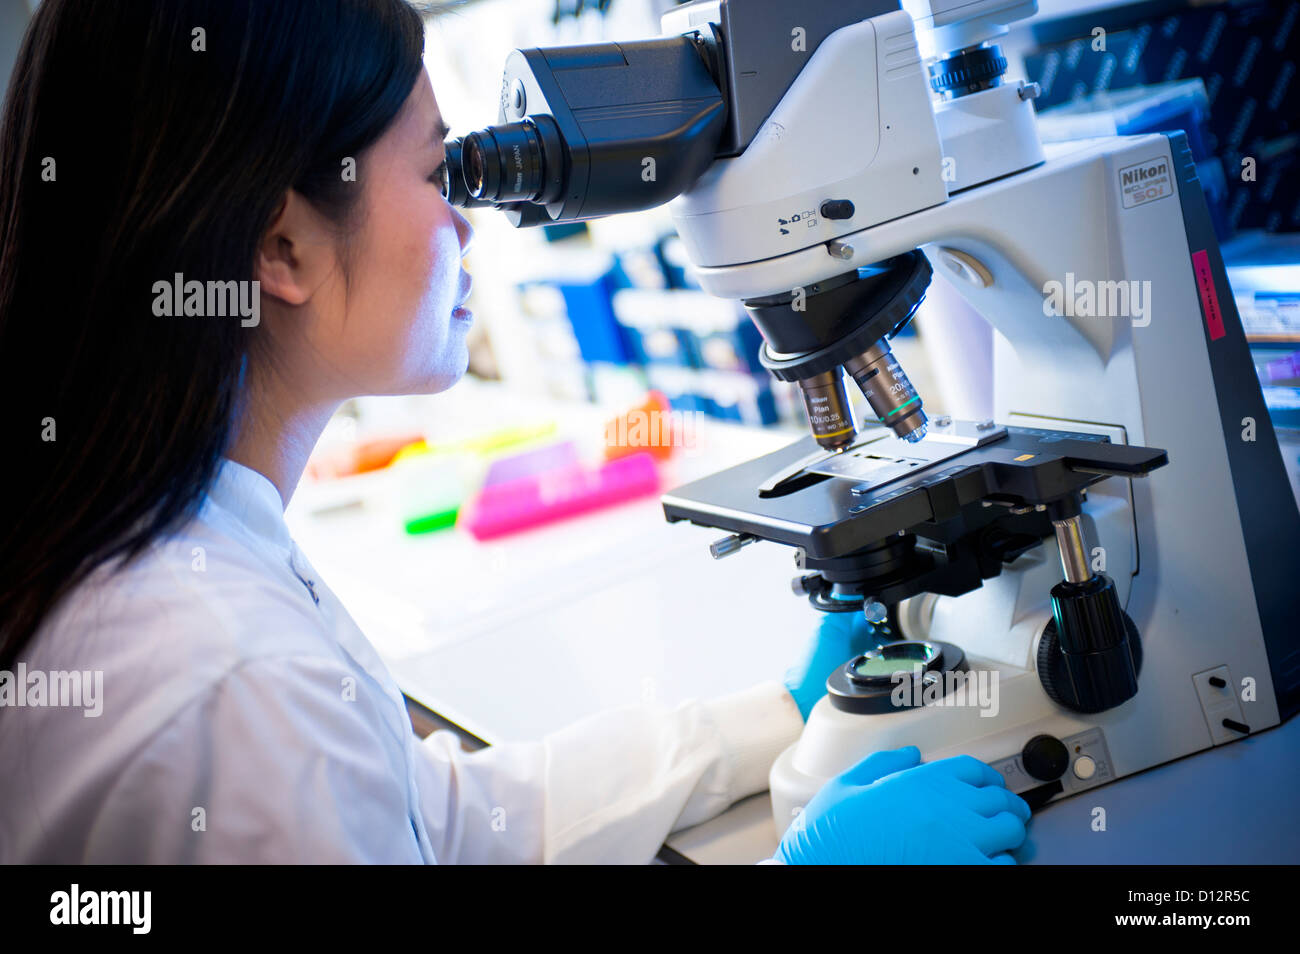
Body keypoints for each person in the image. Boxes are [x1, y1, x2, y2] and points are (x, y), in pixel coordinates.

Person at [0, 0, 1030, 864]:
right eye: (441, 174)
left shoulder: (185, 553)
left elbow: (439, 823)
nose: (463, 222)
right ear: (283, 246)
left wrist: (775, 713)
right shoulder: (234, 687)